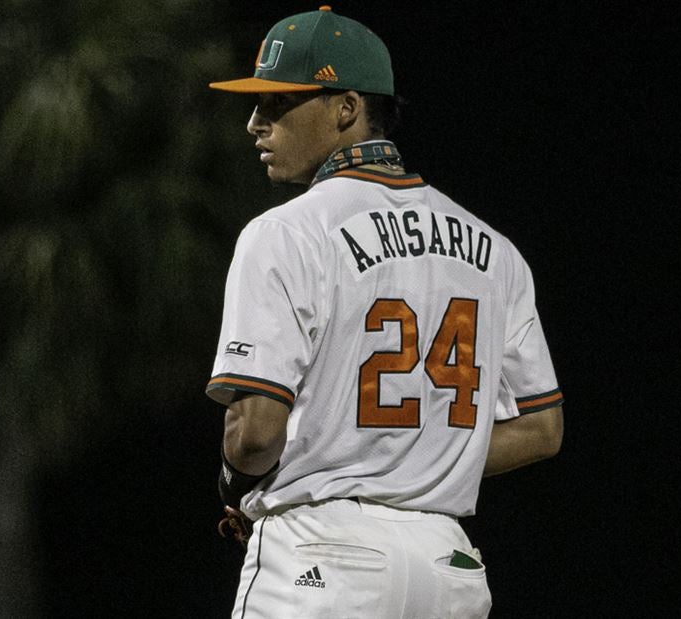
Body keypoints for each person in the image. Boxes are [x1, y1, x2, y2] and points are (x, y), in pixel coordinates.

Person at [205, 6, 563, 618]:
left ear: (346, 108)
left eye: (277, 103)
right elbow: (540, 429)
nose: (254, 123)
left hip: (320, 559)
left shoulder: (285, 233)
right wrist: (417, 459)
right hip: (448, 566)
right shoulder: (495, 251)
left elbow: (255, 433)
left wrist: (240, 483)